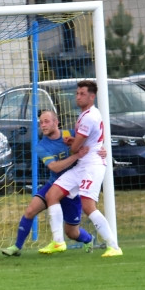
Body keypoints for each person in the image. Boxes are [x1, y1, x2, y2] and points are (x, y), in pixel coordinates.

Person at [41, 80, 123, 257]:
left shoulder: (89, 117)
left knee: (88, 205)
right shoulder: (87, 114)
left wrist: (74, 145)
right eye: (77, 93)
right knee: (52, 195)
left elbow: (75, 148)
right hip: (82, 164)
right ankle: (58, 242)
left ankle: (113, 246)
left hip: (92, 166)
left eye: (82, 94)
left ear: (92, 97)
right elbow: (81, 143)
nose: (78, 97)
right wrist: (76, 143)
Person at [2, 110, 96, 256]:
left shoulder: (69, 135)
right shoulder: (41, 146)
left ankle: (89, 239)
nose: (43, 125)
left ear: (56, 122)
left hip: (72, 189)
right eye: (41, 123)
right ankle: (16, 247)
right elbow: (54, 167)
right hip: (54, 185)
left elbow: (92, 143)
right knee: (30, 210)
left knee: (72, 233)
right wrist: (77, 155)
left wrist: (101, 151)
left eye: (46, 121)